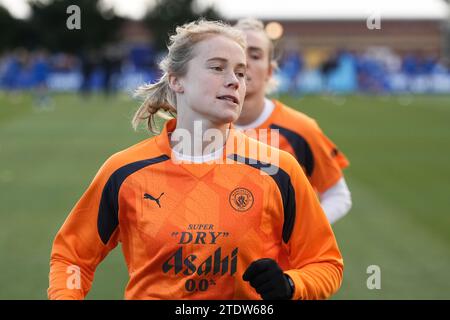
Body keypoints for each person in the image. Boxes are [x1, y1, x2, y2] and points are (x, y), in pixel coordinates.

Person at [48, 20, 343, 300]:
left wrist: (292, 285)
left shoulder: (278, 170)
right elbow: (71, 257)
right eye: (217, 68)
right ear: (177, 81)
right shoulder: (124, 171)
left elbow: (325, 263)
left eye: (240, 73)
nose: (234, 81)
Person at [234, 18, 352, 224]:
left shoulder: (299, 129)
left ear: (269, 71)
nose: (245, 62)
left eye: (254, 55)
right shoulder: (199, 129)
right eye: (237, 53)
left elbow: (338, 195)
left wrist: (302, 230)